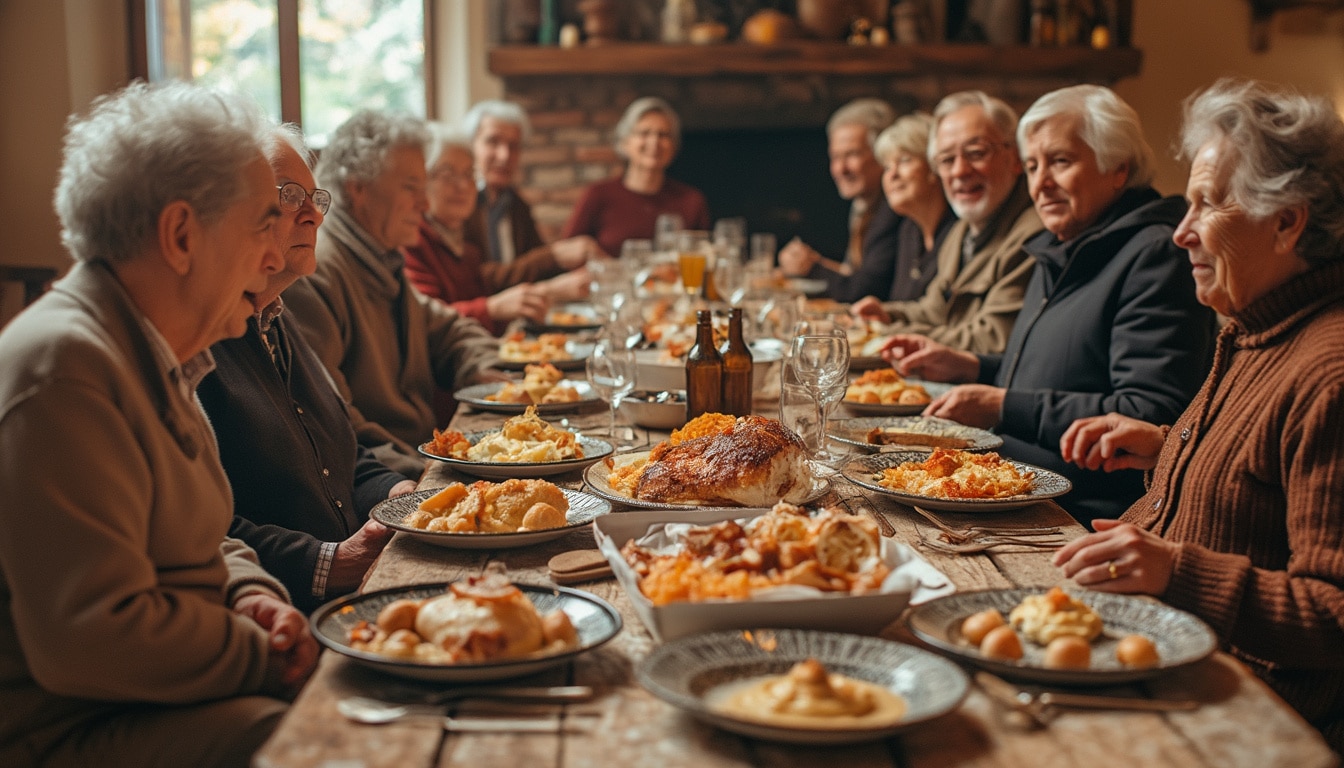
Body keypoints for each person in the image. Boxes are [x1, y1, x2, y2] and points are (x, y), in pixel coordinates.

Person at [0, 81, 316, 767]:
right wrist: (260, 654)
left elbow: (203, 541)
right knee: (331, 741)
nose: (274, 255)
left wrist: (256, 596)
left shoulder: (162, 351)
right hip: (71, 729)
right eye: (264, 223)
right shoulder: (66, 369)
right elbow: (91, 639)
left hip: (164, 695)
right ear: (180, 235)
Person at [1053, 78, 1344, 751]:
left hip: (1241, 718)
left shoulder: (1328, 369)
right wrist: (1171, 446)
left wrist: (1175, 572)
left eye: (1207, 206)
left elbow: (1334, 616)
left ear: (1287, 220)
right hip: (1155, 657)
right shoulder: (1251, 327)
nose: (1180, 233)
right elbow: (1260, 469)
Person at [883, 85, 1216, 523]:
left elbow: (1148, 414)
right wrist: (971, 366)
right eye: (1034, 165)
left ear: (1118, 168)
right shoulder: (1060, 245)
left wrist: (1004, 404)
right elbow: (1056, 372)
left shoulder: (1154, 255)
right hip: (1016, 480)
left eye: (1060, 162)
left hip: (1077, 510)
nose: (1041, 184)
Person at [198, 124, 418, 613]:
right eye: (288, 195)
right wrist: (328, 562)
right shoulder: (198, 337)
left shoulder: (276, 314)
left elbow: (342, 448)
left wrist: (399, 492)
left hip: (354, 583)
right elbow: (205, 527)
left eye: (316, 197)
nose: (313, 214)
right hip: (298, 603)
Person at [283, 110, 502, 479]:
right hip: (390, 477)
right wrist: (428, 472)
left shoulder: (381, 257)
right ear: (359, 188)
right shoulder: (315, 272)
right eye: (411, 187)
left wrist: (486, 373)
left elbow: (449, 329)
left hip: (421, 460)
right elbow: (334, 424)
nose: (425, 204)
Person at [857, 90, 1040, 354]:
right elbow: (934, 309)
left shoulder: (1032, 234)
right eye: (947, 160)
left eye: (976, 153)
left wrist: (889, 334)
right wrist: (888, 315)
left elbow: (992, 340)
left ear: (1014, 159)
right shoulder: (962, 231)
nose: (959, 171)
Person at [405, 127, 583, 334]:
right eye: (447, 173)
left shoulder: (465, 246)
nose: (463, 186)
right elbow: (426, 323)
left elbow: (487, 316)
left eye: (468, 174)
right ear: (421, 181)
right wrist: (493, 308)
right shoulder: (411, 239)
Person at [778, 98, 927, 302]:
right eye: (835, 157)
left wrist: (811, 267)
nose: (841, 169)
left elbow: (866, 289)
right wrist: (816, 261)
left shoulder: (896, 209)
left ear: (883, 153)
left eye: (852, 155)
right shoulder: (864, 204)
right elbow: (857, 272)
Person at [463, 99, 606, 280]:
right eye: (493, 141)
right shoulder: (460, 203)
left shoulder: (515, 203)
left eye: (513, 146)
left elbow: (537, 269)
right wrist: (553, 256)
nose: (504, 156)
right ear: (470, 145)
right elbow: (474, 279)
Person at [561, 96, 711, 258]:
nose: (654, 142)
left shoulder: (691, 200)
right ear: (625, 142)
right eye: (644, 133)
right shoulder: (597, 195)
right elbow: (566, 254)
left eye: (663, 135)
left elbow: (706, 258)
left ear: (673, 146)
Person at [847, 112, 957, 310]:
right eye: (887, 166)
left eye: (905, 160)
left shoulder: (958, 232)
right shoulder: (909, 231)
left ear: (934, 167)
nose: (892, 175)